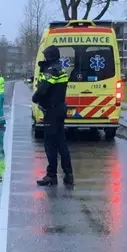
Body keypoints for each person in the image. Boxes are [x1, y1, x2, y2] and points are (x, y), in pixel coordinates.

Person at [31, 45, 74, 187]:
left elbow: (43, 89)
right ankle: (68, 174)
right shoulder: (60, 69)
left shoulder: (52, 71)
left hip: (52, 111)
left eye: (45, 56)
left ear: (49, 56)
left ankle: (51, 176)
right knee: (62, 143)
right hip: (60, 109)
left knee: (50, 145)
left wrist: (35, 98)